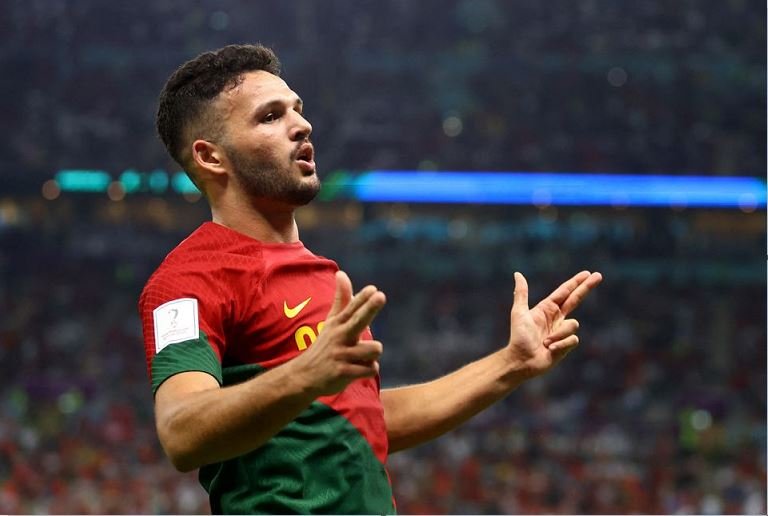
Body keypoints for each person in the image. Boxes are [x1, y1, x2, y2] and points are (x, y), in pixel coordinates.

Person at [138, 43, 603, 514]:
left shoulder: (320, 274)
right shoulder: (189, 278)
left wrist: (511, 364)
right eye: (270, 117)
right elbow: (181, 430)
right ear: (211, 157)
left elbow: (362, 422)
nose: (302, 125)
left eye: (297, 109)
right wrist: (306, 374)